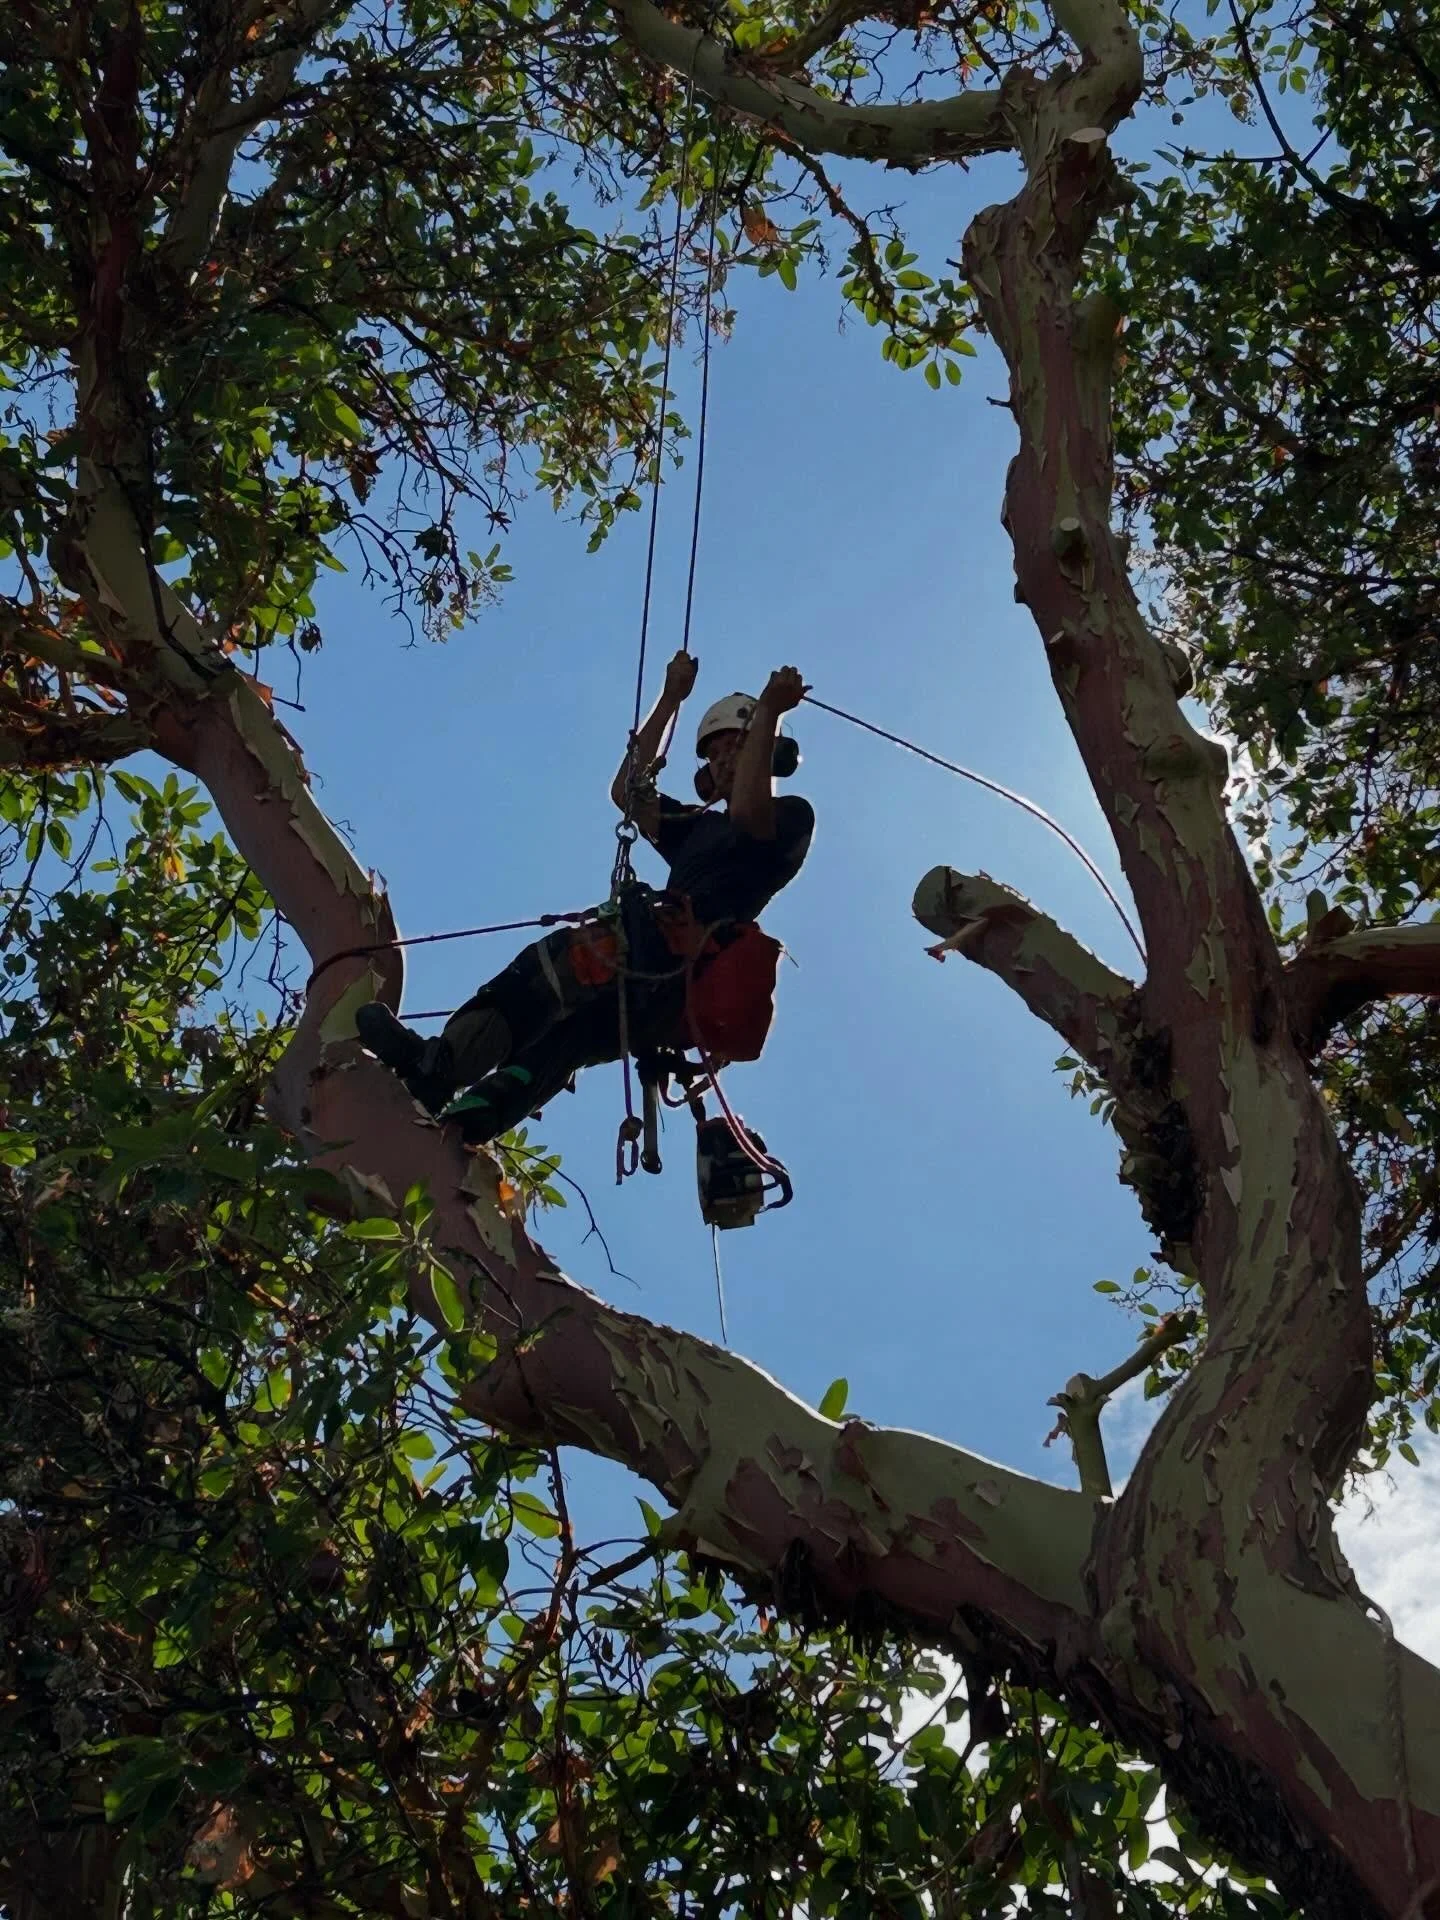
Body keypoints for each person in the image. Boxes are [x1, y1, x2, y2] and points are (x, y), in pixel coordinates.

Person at [354, 652, 814, 1143]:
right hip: (656, 979)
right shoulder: (697, 829)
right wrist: (669, 700)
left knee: (545, 972)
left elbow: (748, 815)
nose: (720, 762)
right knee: (563, 1039)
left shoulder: (790, 817)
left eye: (731, 749)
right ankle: (470, 1121)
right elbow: (627, 793)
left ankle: (437, 1069)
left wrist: (769, 712)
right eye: (713, 754)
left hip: (670, 963)